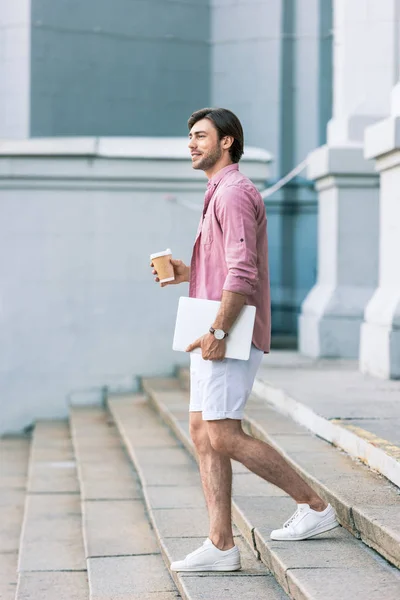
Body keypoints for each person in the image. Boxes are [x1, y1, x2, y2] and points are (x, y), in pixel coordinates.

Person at [150, 107, 338, 572]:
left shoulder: (233, 193)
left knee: (223, 433)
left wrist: (218, 330)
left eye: (200, 136)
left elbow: (243, 272)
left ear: (227, 141)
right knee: (203, 432)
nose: (191, 144)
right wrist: (187, 273)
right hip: (214, 325)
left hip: (227, 331)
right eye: (189, 137)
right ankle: (221, 545)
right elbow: (225, 269)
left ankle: (315, 506)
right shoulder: (219, 191)